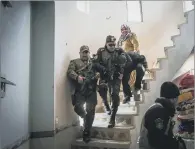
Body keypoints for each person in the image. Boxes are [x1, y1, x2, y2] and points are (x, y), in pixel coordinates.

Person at [67, 45, 108, 143]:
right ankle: (85, 118)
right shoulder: (74, 62)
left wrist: (100, 79)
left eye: (87, 52)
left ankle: (87, 132)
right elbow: (70, 71)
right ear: (80, 53)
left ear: (89, 53)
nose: (85, 54)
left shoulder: (94, 63)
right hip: (80, 90)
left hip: (91, 91)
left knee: (91, 111)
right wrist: (77, 77)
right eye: (83, 52)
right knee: (77, 107)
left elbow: (103, 71)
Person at [138, 81, 187, 149]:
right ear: (173, 99)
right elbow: (156, 141)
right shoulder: (158, 111)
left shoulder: (162, 110)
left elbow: (163, 135)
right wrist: (177, 145)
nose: (177, 102)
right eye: (177, 98)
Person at [96, 35, 129, 128]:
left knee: (115, 95)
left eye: (114, 44)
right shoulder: (101, 51)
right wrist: (102, 69)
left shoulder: (119, 51)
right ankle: (106, 104)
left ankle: (112, 117)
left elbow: (126, 62)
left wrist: (122, 72)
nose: (112, 46)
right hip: (105, 75)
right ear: (106, 44)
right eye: (110, 44)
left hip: (116, 76)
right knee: (102, 90)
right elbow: (95, 63)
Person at [117, 24, 141, 99]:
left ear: (128, 29)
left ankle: (133, 91)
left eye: (125, 29)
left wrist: (135, 55)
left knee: (132, 75)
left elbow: (136, 45)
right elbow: (118, 48)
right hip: (123, 60)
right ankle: (126, 94)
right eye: (122, 29)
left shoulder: (131, 35)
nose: (124, 30)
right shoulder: (120, 38)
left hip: (131, 58)